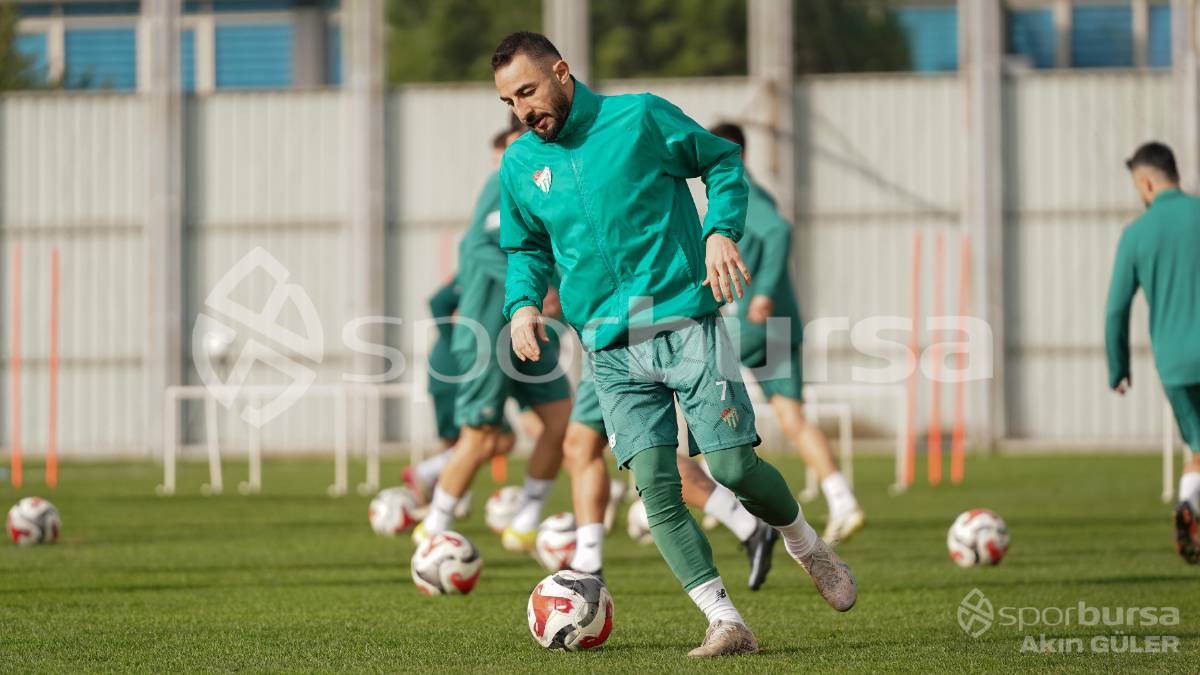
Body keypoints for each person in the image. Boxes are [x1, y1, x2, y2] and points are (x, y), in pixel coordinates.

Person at [492, 32, 856, 657]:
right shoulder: (521, 165)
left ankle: (804, 541)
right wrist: (522, 304)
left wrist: (720, 231)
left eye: (528, 91)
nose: (523, 110)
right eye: (509, 102)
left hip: (684, 319)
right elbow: (525, 247)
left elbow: (721, 162)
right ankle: (725, 620)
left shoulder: (639, 117)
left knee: (734, 467)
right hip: (609, 348)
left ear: (562, 72)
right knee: (656, 487)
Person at [414, 126, 571, 551]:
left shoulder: (546, 186)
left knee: (560, 420)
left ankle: (526, 520)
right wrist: (529, 295)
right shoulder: (502, 181)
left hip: (528, 332)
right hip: (489, 333)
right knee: (482, 437)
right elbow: (479, 248)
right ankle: (432, 530)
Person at [708, 122, 865, 544]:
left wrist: (762, 294)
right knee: (790, 417)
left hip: (759, 324)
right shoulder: (745, 190)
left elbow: (778, 232)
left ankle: (711, 499)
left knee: (697, 395)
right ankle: (841, 499)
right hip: (769, 324)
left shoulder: (740, 189)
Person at [1106, 141, 1200, 565]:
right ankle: (1191, 509)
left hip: (1175, 364)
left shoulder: (1137, 234)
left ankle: (1189, 506)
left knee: (1197, 444)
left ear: (1145, 182)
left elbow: (1116, 309)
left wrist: (1118, 367)